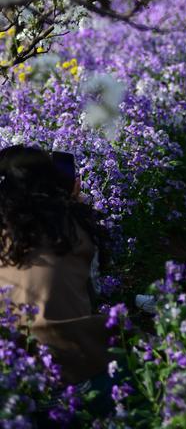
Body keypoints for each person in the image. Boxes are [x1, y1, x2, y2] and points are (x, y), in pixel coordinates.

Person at [0, 145, 113, 410]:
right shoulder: (75, 229)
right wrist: (76, 210)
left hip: (11, 372)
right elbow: (92, 292)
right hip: (76, 370)